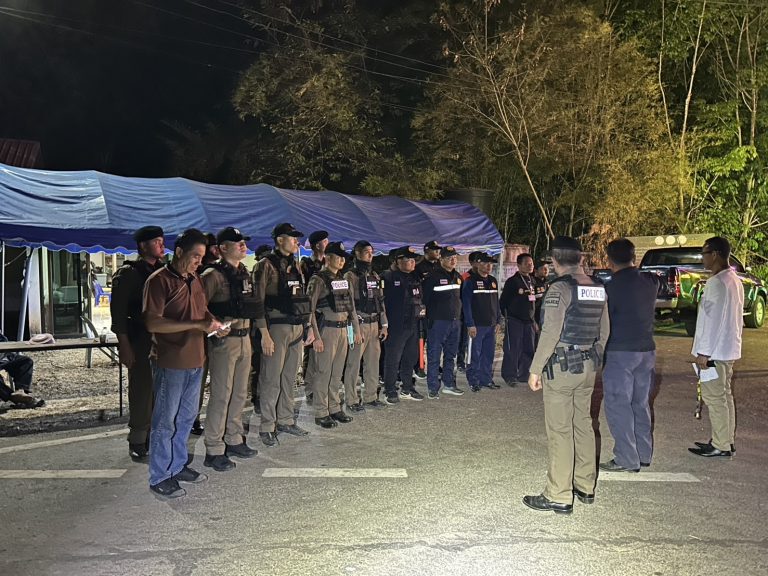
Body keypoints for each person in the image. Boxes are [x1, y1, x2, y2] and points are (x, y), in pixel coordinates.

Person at [523, 236, 609, 515]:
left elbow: (550, 332)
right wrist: (595, 357)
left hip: (562, 367)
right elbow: (604, 331)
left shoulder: (560, 288)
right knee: (583, 423)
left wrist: (535, 369)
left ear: (554, 260)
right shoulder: (597, 287)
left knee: (560, 430)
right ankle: (585, 486)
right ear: (580, 258)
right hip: (588, 367)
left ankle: (558, 494)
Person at [143, 228, 227, 499]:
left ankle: (177, 465)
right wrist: (197, 324)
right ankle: (160, 475)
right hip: (171, 361)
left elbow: (202, 311)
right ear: (179, 252)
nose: (199, 262)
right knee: (165, 421)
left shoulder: (194, 279)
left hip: (196, 360)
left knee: (186, 418)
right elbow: (153, 322)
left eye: (202, 257)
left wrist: (213, 324)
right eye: (195, 256)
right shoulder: (159, 281)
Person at [201, 227, 261, 472]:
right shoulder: (212, 275)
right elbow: (198, 306)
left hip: (244, 338)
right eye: (237, 243)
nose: (243, 246)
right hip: (224, 342)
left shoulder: (244, 272)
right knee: (221, 394)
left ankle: (234, 438)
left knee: (239, 393)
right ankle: (214, 448)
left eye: (243, 242)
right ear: (222, 248)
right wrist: (212, 325)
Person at [598, 239, 659, 473]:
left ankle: (626, 458)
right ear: (634, 256)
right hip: (646, 350)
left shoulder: (610, 288)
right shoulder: (650, 282)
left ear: (609, 260)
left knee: (618, 405)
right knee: (640, 403)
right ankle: (643, 454)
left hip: (620, 352)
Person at [252, 223, 312, 447]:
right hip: (275, 328)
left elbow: (300, 297)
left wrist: (307, 327)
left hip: (296, 327)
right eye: (292, 237)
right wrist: (264, 334)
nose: (297, 241)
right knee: (271, 379)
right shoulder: (264, 265)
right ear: (279, 240)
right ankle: (268, 425)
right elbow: (257, 302)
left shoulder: (295, 264)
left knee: (289, 378)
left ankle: (286, 419)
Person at [110, 225, 165, 460]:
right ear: (143, 246)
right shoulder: (129, 274)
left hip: (163, 339)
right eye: (156, 242)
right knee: (142, 389)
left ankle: (155, 434)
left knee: (161, 390)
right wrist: (124, 345)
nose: (161, 245)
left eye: (162, 241)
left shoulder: (164, 271)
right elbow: (119, 314)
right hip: (140, 338)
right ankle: (138, 438)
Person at [688, 236, 743, 458]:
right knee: (724, 396)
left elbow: (712, 320)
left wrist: (704, 353)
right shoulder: (734, 279)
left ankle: (721, 444)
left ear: (715, 254)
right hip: (727, 349)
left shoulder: (716, 283)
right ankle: (725, 440)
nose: (702, 258)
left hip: (714, 352)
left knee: (715, 398)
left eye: (704, 253)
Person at [307, 242, 361, 427]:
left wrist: (355, 330)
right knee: (323, 372)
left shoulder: (342, 280)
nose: (342, 261)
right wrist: (316, 336)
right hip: (327, 330)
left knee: (337, 372)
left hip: (343, 330)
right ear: (327, 258)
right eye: (338, 257)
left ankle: (334, 407)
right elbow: (310, 310)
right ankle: (321, 411)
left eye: (343, 258)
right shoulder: (318, 279)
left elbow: (351, 308)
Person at [342, 240, 388, 411]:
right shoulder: (350, 276)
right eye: (367, 252)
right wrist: (355, 328)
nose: (370, 255)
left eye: (371, 252)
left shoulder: (374, 276)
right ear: (357, 253)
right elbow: (349, 305)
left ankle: (371, 397)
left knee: (373, 363)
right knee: (353, 364)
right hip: (359, 324)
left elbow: (380, 301)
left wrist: (384, 324)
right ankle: (351, 400)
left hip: (374, 324)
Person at [381, 247, 426, 403]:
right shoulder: (387, 277)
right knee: (393, 359)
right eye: (408, 260)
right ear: (398, 261)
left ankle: (407, 387)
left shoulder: (415, 277)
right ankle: (390, 390)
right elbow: (381, 303)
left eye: (413, 260)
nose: (412, 263)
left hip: (413, 324)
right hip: (396, 325)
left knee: (410, 357)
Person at [422, 246, 464, 399]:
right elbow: (425, 299)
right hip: (438, 322)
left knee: (451, 355)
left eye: (455, 258)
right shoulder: (432, 276)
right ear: (441, 259)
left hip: (455, 321)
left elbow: (460, 299)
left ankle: (449, 384)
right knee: (434, 355)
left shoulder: (458, 276)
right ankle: (433, 387)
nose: (453, 260)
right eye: (449, 258)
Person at [191, 233, 222, 436]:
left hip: (216, 332)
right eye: (213, 246)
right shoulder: (203, 273)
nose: (216, 250)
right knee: (198, 380)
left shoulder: (219, 271)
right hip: (200, 334)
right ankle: (192, 418)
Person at [462, 252, 502, 392]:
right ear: (477, 264)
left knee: (488, 354)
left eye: (490, 264)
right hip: (477, 325)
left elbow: (496, 303)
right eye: (485, 263)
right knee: (474, 354)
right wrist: (470, 324)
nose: (488, 266)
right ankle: (473, 380)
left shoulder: (492, 280)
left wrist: (498, 320)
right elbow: (466, 305)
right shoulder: (470, 281)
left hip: (491, 325)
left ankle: (486, 379)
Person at [500, 253, 537, 387]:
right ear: (519, 265)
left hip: (529, 321)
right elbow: (503, 301)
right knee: (512, 349)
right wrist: (507, 317)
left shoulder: (532, 281)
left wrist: (534, 320)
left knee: (528, 349)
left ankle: (524, 375)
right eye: (526, 263)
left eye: (531, 263)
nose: (530, 265)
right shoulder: (513, 281)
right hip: (514, 320)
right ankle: (509, 375)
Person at [300, 230, 328, 400]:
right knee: (311, 350)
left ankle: (321, 384)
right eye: (324, 242)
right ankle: (309, 386)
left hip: (326, 312)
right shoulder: (306, 264)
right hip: (311, 311)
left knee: (324, 349)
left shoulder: (328, 262)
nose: (327, 244)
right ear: (317, 245)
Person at [249, 244, 273, 413]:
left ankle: (263, 398)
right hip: (258, 325)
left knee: (267, 365)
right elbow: (257, 301)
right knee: (259, 365)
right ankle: (257, 397)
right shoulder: (258, 271)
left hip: (269, 323)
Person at [0, 331, 44, 408]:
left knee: (26, 361)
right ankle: (14, 397)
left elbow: (4, 340)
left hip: (5, 355)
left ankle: (21, 391)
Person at [457, 252, 482, 372]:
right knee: (463, 340)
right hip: (465, 315)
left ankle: (475, 362)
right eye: (477, 261)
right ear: (471, 263)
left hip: (480, 315)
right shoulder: (465, 277)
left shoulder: (485, 277)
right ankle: (460, 362)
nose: (480, 264)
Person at [533, 260, 550, 328]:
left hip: (546, 317)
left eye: (547, 268)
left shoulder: (548, 283)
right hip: (535, 317)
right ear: (535, 270)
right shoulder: (532, 283)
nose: (546, 270)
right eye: (543, 268)